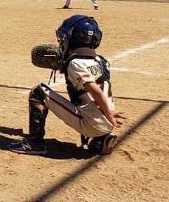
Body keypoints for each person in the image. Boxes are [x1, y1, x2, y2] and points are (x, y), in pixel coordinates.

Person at [8, 15, 125, 156]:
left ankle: (34, 143)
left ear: (74, 38)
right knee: (87, 102)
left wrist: (109, 113)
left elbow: (95, 91)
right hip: (106, 123)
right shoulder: (101, 60)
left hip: (92, 122)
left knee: (38, 92)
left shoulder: (75, 64)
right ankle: (101, 140)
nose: (62, 41)